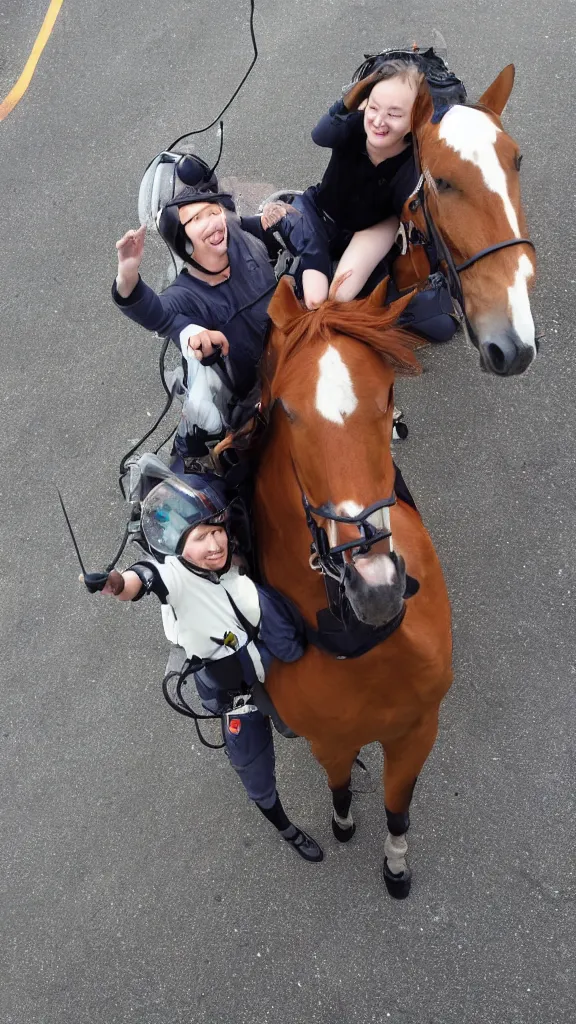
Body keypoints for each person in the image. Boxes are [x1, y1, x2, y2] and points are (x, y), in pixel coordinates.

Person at [88, 470, 323, 862]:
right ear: (178, 548)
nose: (215, 544)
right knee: (255, 772)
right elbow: (141, 579)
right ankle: (286, 828)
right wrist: (114, 582)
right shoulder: (174, 577)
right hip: (237, 697)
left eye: (217, 531)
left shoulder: (233, 570)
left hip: (270, 668)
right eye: (200, 537)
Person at [112, 160, 285, 462]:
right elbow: (156, 313)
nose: (213, 223)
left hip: (295, 358)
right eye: (195, 219)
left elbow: (254, 224)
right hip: (252, 400)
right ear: (180, 236)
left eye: (213, 211)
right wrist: (128, 274)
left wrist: (280, 218)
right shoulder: (185, 294)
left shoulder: (240, 238)